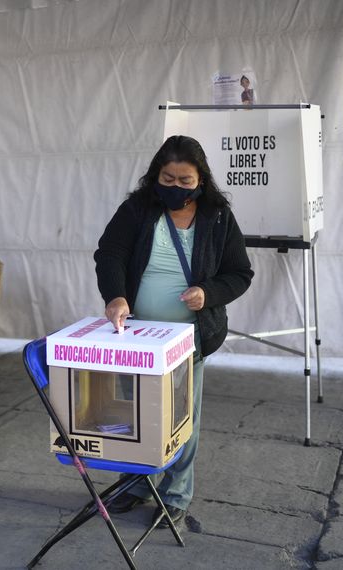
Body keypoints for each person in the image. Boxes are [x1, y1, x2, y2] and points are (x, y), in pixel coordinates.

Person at [94, 135, 253, 527]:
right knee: (132, 414)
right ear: (155, 175)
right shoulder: (137, 209)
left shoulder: (217, 216)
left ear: (201, 179)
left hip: (188, 339)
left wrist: (209, 292)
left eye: (185, 180)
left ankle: (177, 493)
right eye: (168, 178)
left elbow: (240, 273)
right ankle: (134, 484)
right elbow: (110, 253)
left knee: (182, 418)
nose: (175, 187)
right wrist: (115, 296)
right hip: (135, 337)